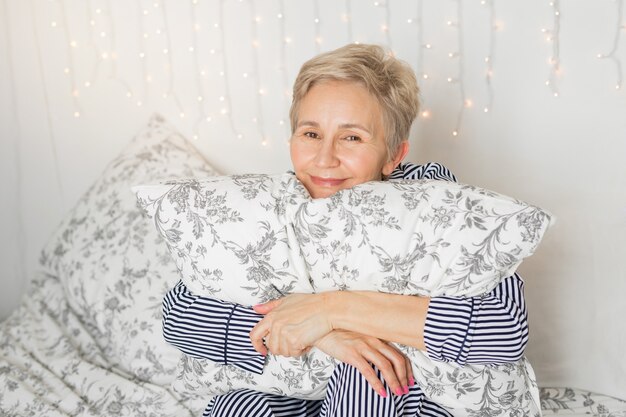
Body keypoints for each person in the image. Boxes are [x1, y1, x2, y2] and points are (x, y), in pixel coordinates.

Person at [162, 44, 530, 416]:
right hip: (306, 393)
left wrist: (329, 309)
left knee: (369, 371)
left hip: (408, 400)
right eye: (310, 134)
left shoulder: (433, 206)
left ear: (393, 155)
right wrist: (321, 334)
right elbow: (180, 311)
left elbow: (503, 325)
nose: (325, 158)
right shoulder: (271, 203)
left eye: (352, 137)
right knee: (235, 408)